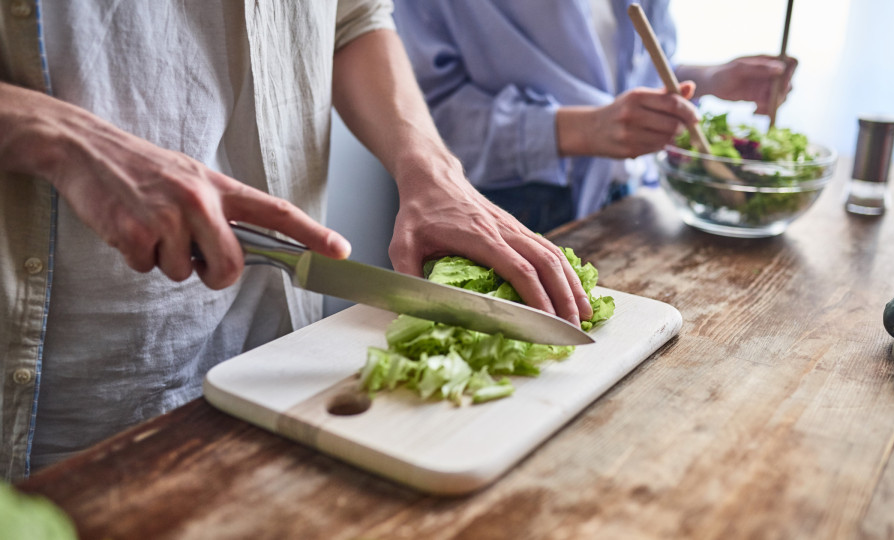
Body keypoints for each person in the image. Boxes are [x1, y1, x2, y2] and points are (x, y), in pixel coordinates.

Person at [0, 1, 593, 481]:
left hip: (278, 354)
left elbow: (354, 16)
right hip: (69, 379)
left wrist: (434, 172)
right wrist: (63, 137)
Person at [394, 0, 798, 232]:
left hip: (624, 203)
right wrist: (586, 130)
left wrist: (709, 79)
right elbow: (427, 119)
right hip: (510, 209)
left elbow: (628, 71)